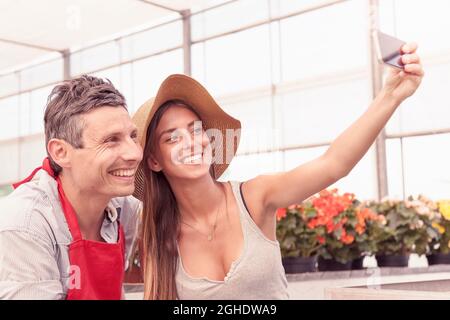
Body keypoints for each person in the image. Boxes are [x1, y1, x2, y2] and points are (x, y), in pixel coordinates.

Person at [134, 42, 423, 300]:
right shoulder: (160, 238)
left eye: (195, 129)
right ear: (154, 161)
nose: (190, 143)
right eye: (172, 137)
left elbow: (333, 164)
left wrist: (391, 96)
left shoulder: (254, 197)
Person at [0, 75, 143, 299]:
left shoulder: (123, 206)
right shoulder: (26, 224)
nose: (134, 153)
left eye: (133, 136)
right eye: (111, 140)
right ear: (61, 152)